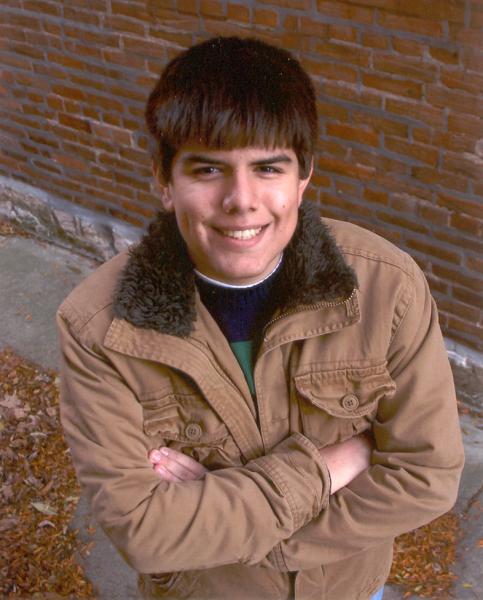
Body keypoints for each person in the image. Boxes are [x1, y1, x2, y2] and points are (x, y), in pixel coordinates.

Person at [57, 37, 464, 600]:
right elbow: (146, 533)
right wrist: (334, 465)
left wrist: (241, 532)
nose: (241, 200)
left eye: (268, 167)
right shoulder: (100, 328)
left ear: (303, 177)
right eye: (208, 169)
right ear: (164, 181)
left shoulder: (385, 286)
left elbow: (429, 475)